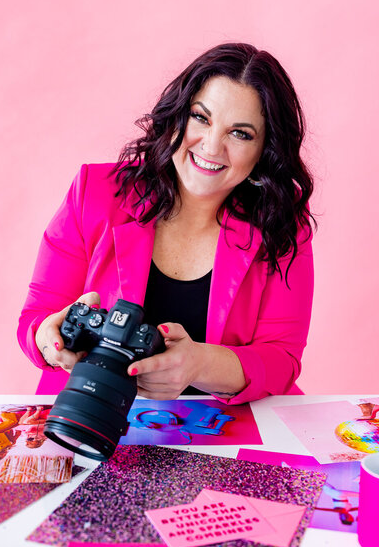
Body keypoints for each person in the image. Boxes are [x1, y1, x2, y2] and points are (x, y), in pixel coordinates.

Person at [18, 43, 315, 404]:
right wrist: (51, 342)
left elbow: (281, 360)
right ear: (177, 115)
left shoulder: (282, 226)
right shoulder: (94, 193)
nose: (211, 146)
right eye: (200, 117)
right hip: (89, 408)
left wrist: (198, 365)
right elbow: (37, 318)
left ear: (265, 150)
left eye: (240, 133)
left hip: (226, 429)